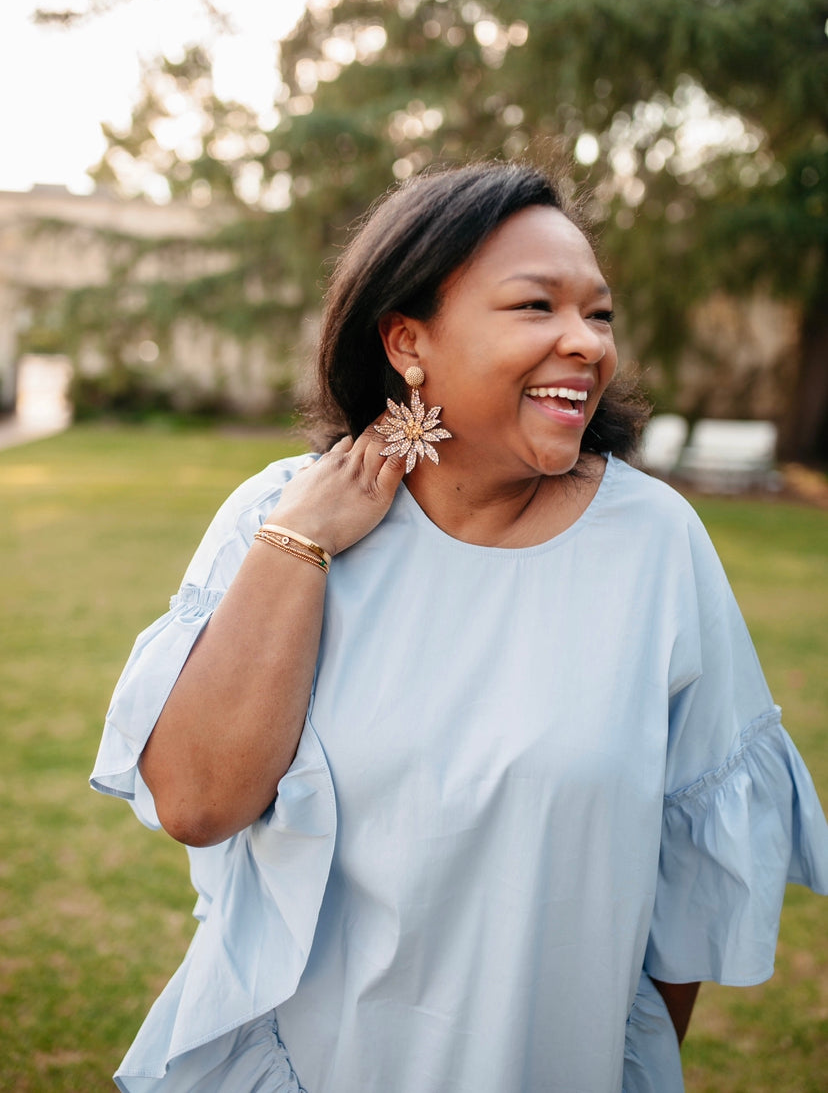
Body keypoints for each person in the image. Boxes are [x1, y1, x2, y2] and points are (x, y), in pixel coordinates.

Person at [92, 161, 828, 1093]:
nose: (586, 343)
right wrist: (299, 545)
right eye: (536, 307)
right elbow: (198, 802)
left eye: (598, 314)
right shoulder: (276, 514)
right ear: (408, 340)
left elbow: (686, 869)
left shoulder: (656, 544)